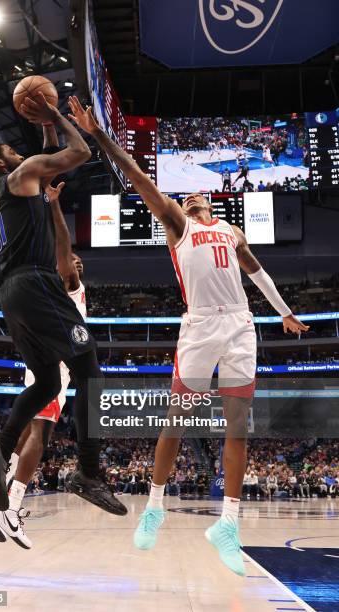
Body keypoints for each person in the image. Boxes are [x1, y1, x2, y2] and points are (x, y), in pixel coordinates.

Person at [67, 96, 309, 576]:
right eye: (188, 195)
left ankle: (229, 524)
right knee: (177, 420)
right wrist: (98, 135)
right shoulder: (176, 225)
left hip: (241, 322)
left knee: (238, 426)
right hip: (200, 325)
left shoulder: (232, 231)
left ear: (211, 203)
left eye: (201, 195)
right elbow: (136, 175)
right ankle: (154, 509)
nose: (194, 197)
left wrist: (284, 313)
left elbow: (258, 273)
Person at [0, 92, 126, 518]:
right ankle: (89, 473)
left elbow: (42, 159)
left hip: (12, 293)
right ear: (3, 163)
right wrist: (58, 114)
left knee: (44, 383)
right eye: (11, 150)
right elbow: (79, 151)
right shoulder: (22, 173)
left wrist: (44, 126)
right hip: (37, 284)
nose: (19, 152)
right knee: (89, 371)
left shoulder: (4, 189)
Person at [0, 247, 90, 549]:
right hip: (51, 366)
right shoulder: (50, 285)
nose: (75, 263)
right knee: (40, 432)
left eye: (79, 261)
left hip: (57, 370)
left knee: (30, 431)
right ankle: (11, 508)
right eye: (70, 259)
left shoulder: (74, 289)